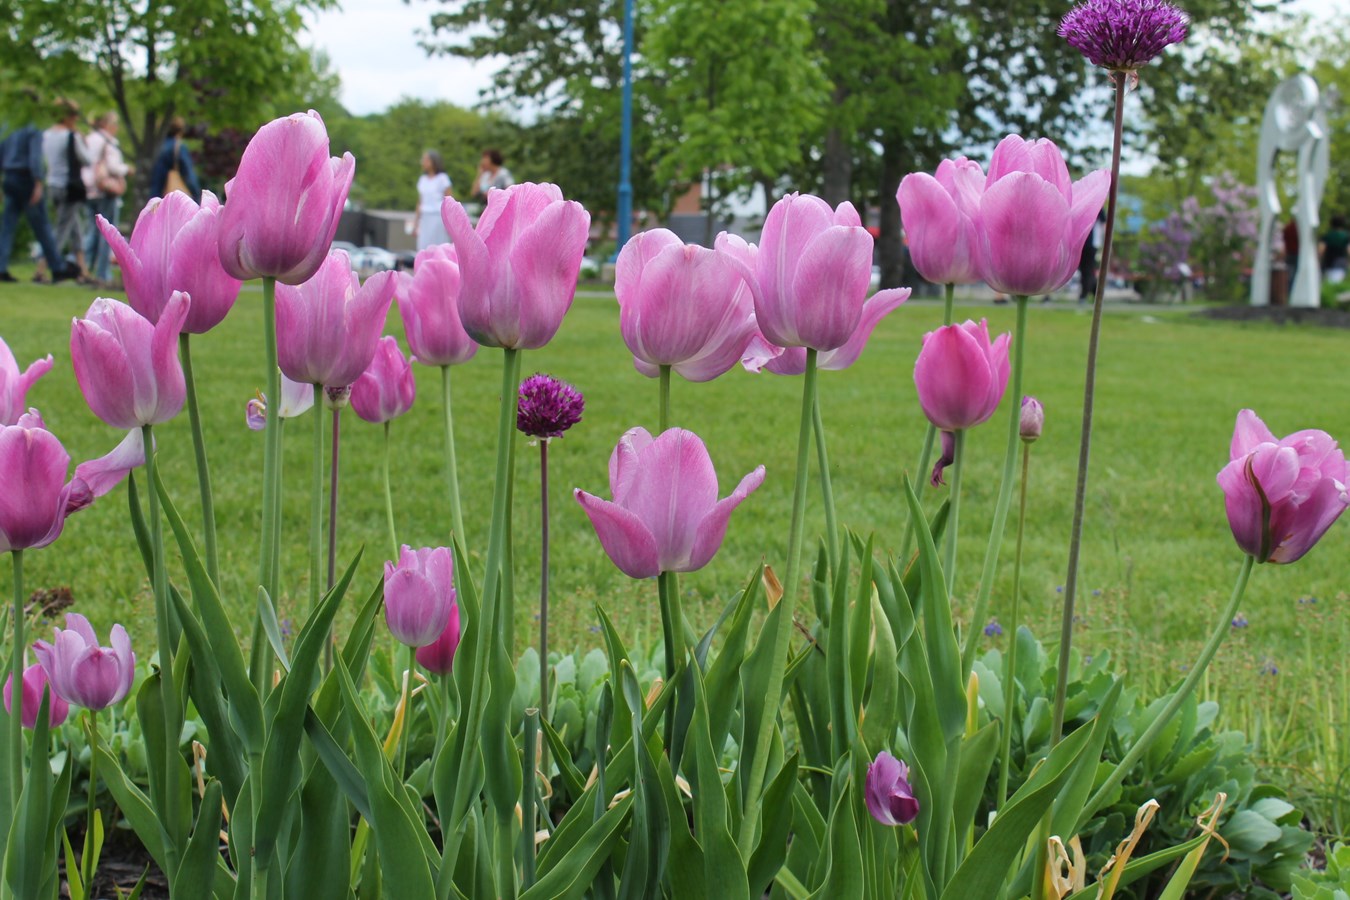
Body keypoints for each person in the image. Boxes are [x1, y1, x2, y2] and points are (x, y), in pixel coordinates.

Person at [0, 112, 76, 284]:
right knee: (42, 226)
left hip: (9, 178)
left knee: (7, 227)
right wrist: (38, 182)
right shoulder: (32, 127)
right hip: (27, 180)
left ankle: (1, 267)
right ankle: (57, 268)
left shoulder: (8, 125)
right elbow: (35, 157)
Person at [83, 111, 134, 288]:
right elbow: (113, 166)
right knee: (107, 232)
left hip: (90, 189)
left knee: (91, 231)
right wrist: (126, 169)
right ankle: (102, 272)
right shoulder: (109, 142)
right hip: (106, 189)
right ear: (108, 125)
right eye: (115, 124)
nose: (117, 128)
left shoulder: (89, 139)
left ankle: (83, 267)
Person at [42, 98, 91, 278]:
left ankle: (83, 271)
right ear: (69, 117)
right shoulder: (72, 136)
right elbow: (88, 159)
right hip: (69, 188)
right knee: (61, 231)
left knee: (75, 228)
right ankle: (42, 268)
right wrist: (83, 140)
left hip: (52, 184)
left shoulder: (47, 135)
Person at [149, 117, 200, 200]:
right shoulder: (178, 147)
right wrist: (197, 196)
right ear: (180, 131)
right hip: (172, 196)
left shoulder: (155, 147)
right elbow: (189, 175)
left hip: (156, 194)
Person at [413, 150, 452, 250]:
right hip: (425, 217)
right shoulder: (423, 179)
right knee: (423, 246)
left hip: (438, 217)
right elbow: (420, 202)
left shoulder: (442, 178)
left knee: (438, 246)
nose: (423, 162)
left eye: (426, 160)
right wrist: (416, 223)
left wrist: (450, 222)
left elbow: (449, 201)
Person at [1319, 214, 1349, 282]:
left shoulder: (1327, 236)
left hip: (1328, 262)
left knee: (1328, 282)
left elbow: (1321, 250)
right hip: (1341, 262)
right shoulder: (1346, 237)